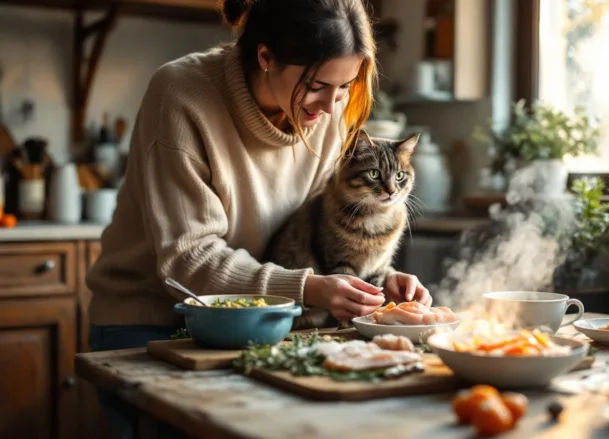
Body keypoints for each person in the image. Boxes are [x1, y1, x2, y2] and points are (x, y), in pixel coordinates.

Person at [85, 0, 432, 437]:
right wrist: (306, 287)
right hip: (149, 323)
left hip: (259, 319)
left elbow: (327, 225)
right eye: (319, 86)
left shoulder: (325, 111)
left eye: (345, 87)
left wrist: (380, 278)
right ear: (266, 58)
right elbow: (190, 257)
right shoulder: (181, 94)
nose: (331, 106)